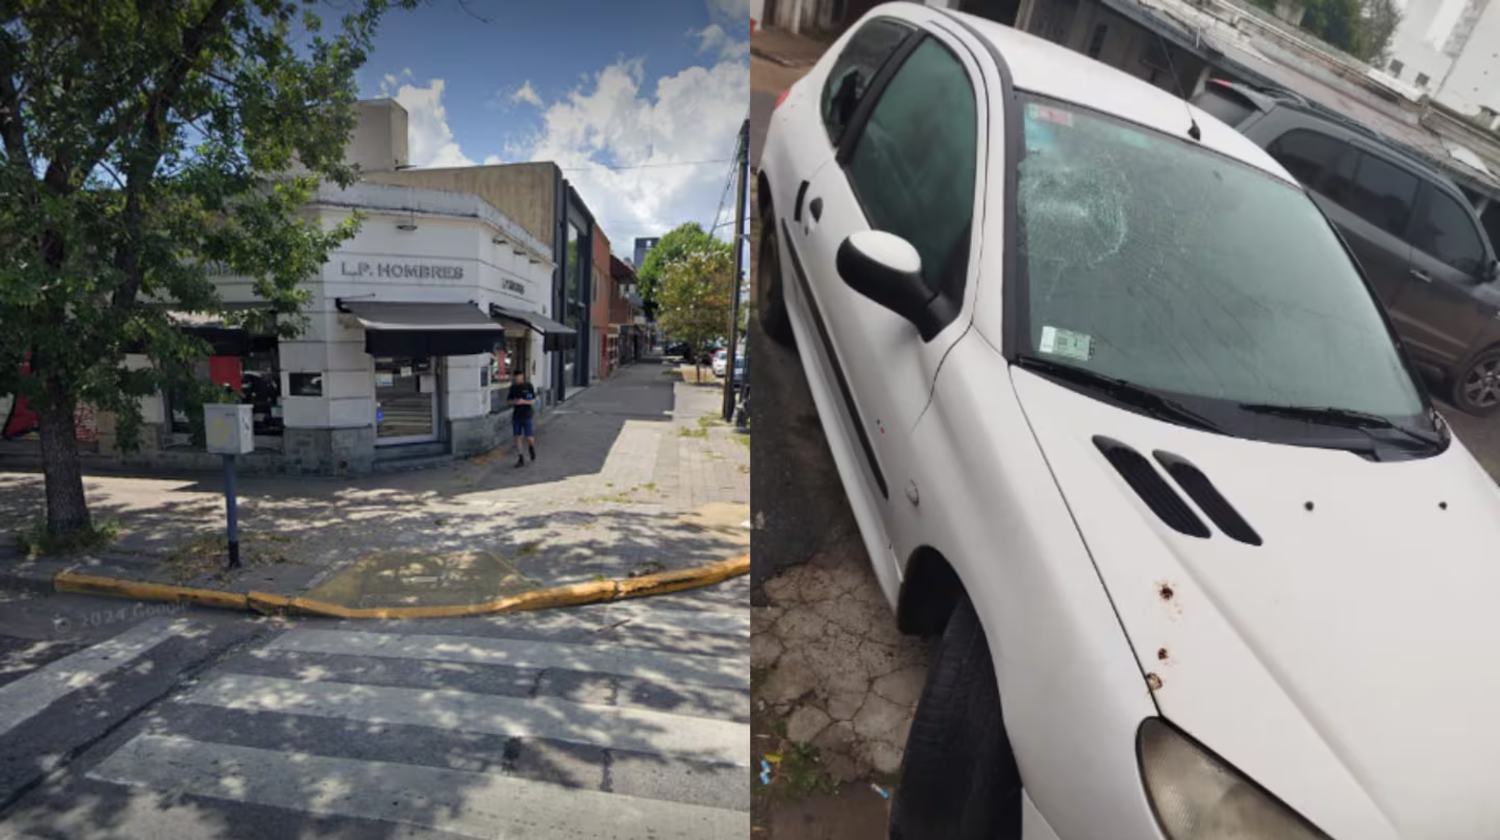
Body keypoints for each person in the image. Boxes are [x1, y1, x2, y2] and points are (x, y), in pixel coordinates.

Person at [506, 370, 537, 467]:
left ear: (523, 377)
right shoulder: (513, 388)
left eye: (519, 377)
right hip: (516, 416)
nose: (517, 379)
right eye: (516, 378)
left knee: (529, 437)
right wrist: (514, 402)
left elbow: (532, 401)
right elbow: (508, 401)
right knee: (517, 436)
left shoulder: (528, 387)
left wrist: (523, 401)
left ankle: (531, 447)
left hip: (527, 414)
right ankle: (521, 457)